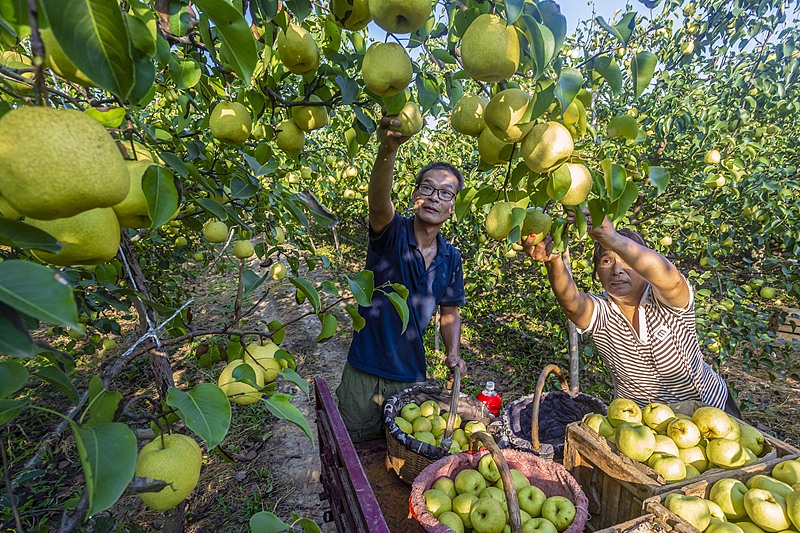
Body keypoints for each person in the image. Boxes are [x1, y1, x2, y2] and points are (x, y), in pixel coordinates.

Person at [522, 214, 741, 418]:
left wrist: (612, 238)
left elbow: (669, 277)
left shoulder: (665, 299)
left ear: (643, 267)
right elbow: (572, 304)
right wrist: (553, 262)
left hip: (709, 412)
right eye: (607, 261)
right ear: (597, 272)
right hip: (643, 424)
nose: (617, 270)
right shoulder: (602, 311)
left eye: (628, 261)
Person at [336, 112, 469, 442]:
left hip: (410, 375)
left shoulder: (451, 258)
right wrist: (389, 150)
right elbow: (378, 202)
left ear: (452, 208)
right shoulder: (390, 233)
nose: (435, 197)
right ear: (415, 196)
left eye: (445, 193)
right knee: (352, 452)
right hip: (364, 369)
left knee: (400, 453)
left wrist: (452, 353)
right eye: (428, 188)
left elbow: (449, 312)